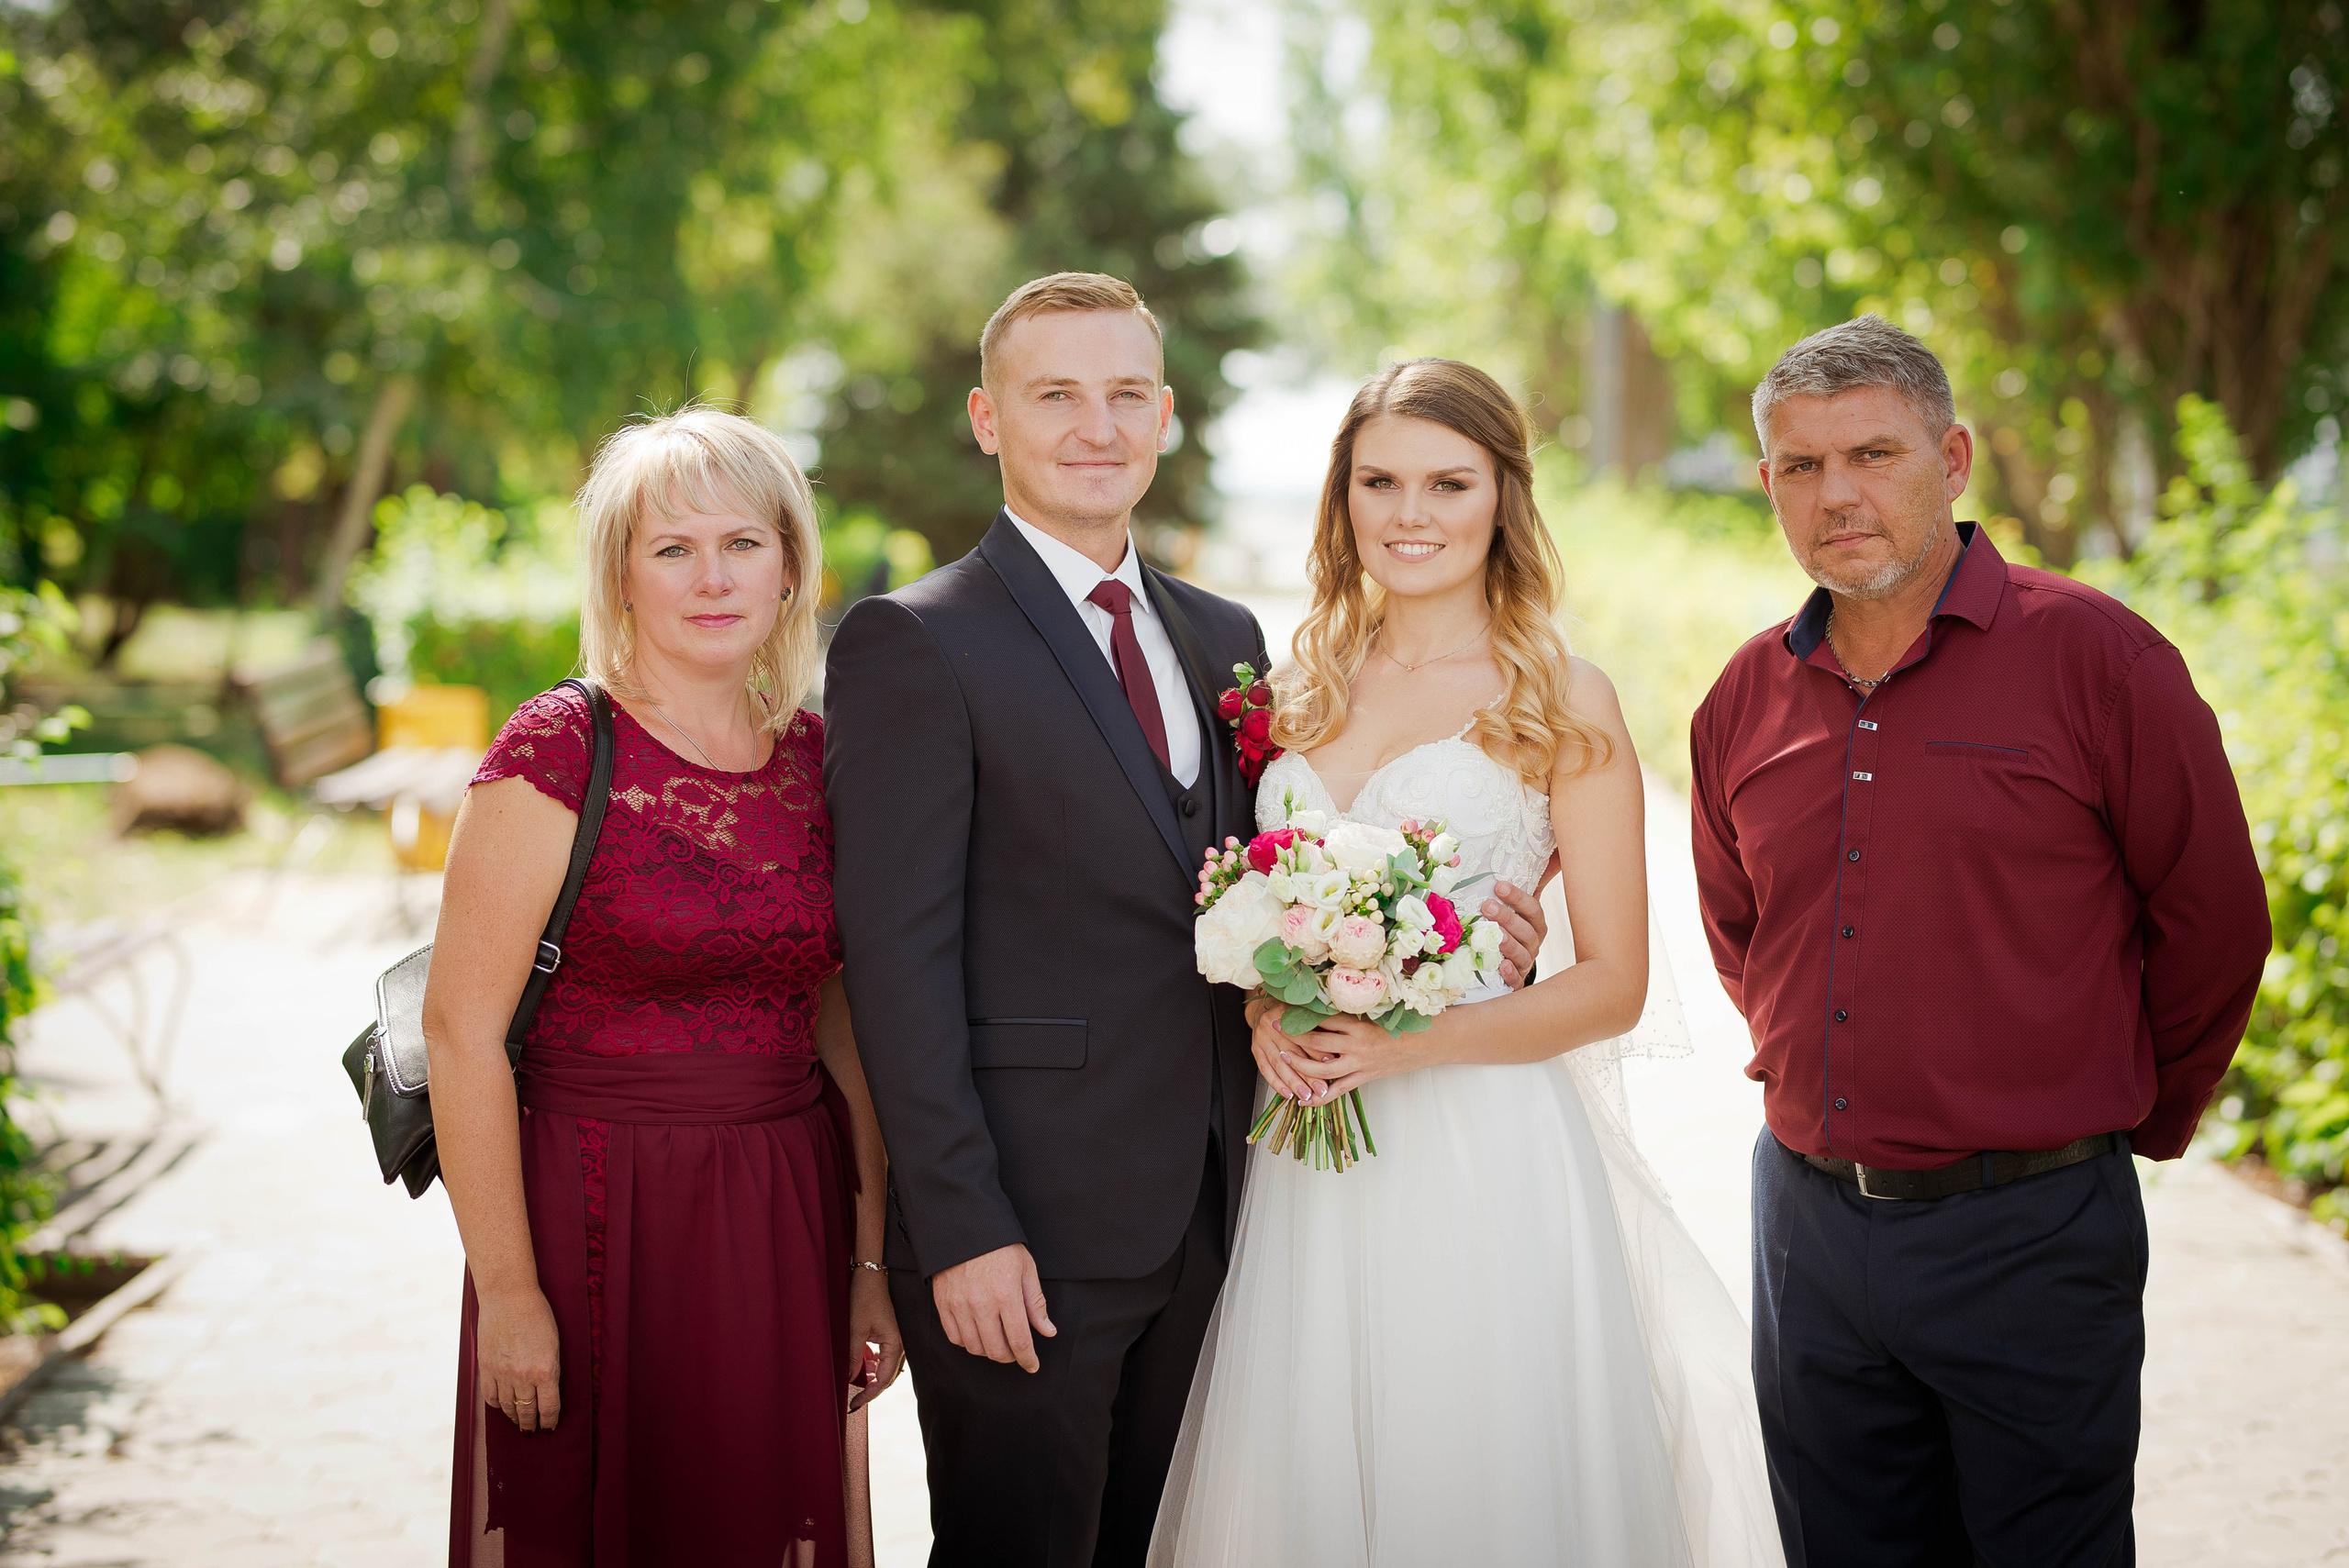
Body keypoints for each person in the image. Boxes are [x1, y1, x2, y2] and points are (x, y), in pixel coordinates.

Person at [822, 274, 1554, 1567]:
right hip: (1025, 1231)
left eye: (1123, 396)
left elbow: (1260, 885)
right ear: (989, 420)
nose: (1094, 426)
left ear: (1163, 417)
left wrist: (1436, 939)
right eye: (1056, 396)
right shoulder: (914, 641)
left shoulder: (1226, 636)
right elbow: (895, 964)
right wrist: (964, 1225)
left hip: (1230, 1213)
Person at [1149, 358, 1784, 1568]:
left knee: (1472, 1468)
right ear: (1341, 501)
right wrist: (1263, 1016)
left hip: (1481, 1147)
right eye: (1378, 481)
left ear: (1504, 498)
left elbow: (1614, 983)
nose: (1409, 512)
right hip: (1310, 1159)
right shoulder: (1292, 690)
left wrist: (1409, 1041)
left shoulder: (1561, 697)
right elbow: (1257, 912)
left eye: (1448, 482)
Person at [1691, 316, 2270, 1567]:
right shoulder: (1743, 694)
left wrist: (2109, 1123)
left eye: (1873, 454)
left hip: (2032, 1231)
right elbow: (1742, 933)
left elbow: (2213, 925)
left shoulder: (2098, 658)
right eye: (1801, 466)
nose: (1837, 494)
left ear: (1952, 458)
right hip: (1808, 1233)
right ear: (1769, 485)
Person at [425, 407, 903, 1567]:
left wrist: (870, 1267)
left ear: (790, 566)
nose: (712, 578)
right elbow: (458, 1032)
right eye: (673, 548)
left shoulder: (817, 757)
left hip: (781, 1215)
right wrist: (511, 1293)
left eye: (743, 543)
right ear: (621, 575)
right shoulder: (559, 747)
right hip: (586, 1211)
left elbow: (846, 1031)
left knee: (751, 1524)